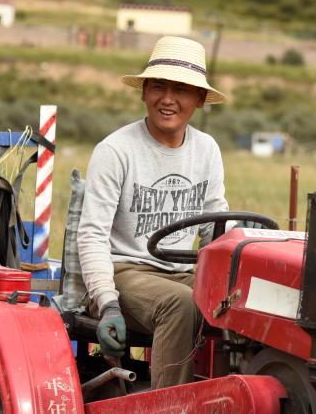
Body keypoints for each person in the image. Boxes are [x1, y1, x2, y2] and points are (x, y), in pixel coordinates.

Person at [77, 36, 229, 389]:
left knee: (243, 301)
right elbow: (93, 234)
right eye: (158, 86)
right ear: (144, 91)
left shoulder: (206, 149)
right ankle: (169, 404)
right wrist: (107, 303)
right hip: (126, 271)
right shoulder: (116, 150)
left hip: (181, 271)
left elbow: (215, 226)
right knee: (180, 305)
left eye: (182, 89)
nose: (168, 99)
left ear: (200, 99)